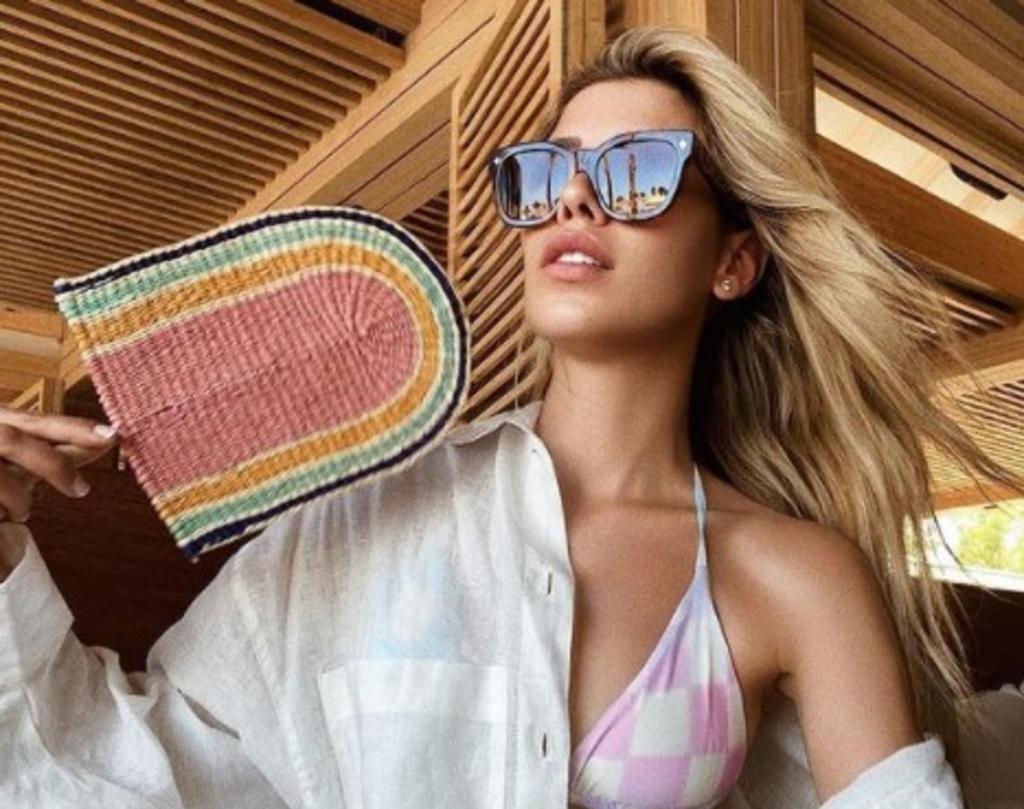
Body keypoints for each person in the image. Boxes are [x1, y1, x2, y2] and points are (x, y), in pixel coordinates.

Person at [1, 24, 1017, 809]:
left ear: (731, 261)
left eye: (635, 169)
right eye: (548, 170)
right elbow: (136, 770)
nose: (575, 199)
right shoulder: (357, 519)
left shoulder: (796, 575)